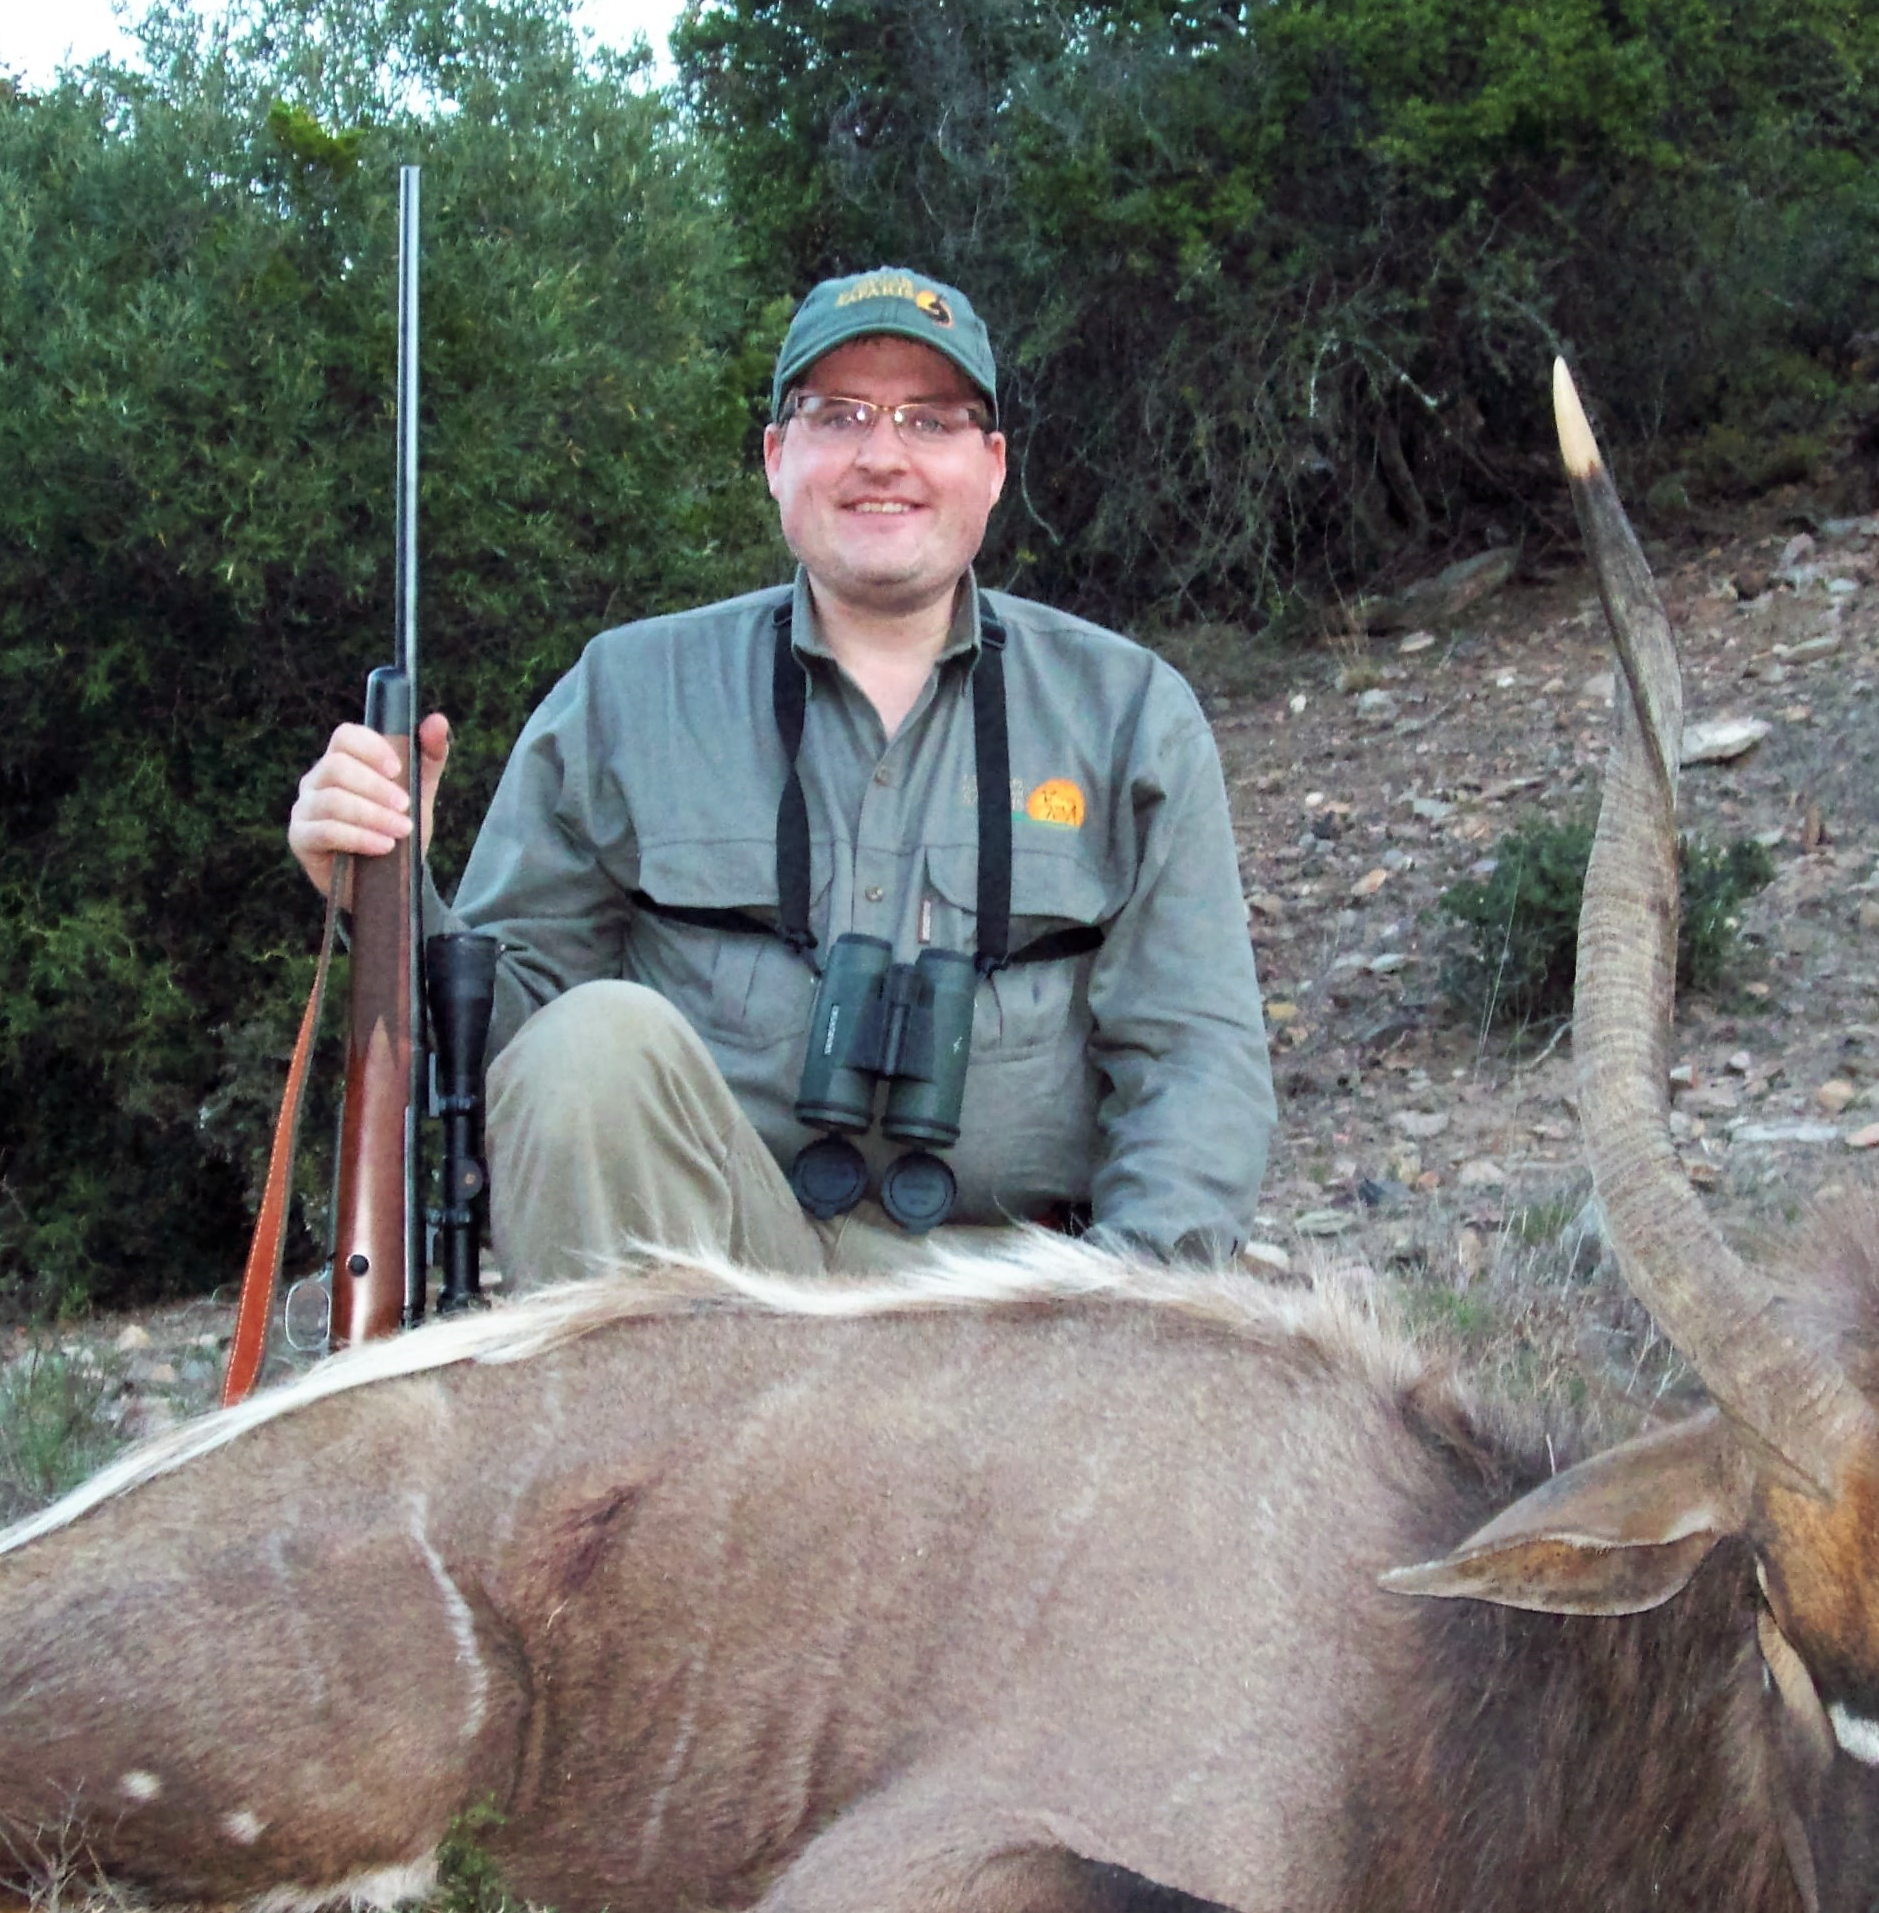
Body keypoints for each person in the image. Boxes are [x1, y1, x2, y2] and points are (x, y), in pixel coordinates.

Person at [286, 267, 1271, 1289]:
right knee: (590, 1041)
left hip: (1013, 1317)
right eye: (835, 415)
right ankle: (634, 1445)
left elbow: (1195, 1069)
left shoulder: (1129, 715)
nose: (879, 455)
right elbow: (505, 1057)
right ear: (774, 456)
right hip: (706, 1297)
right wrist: (388, 894)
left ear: (990, 466)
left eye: (927, 422)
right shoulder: (626, 694)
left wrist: (1113, 1326)